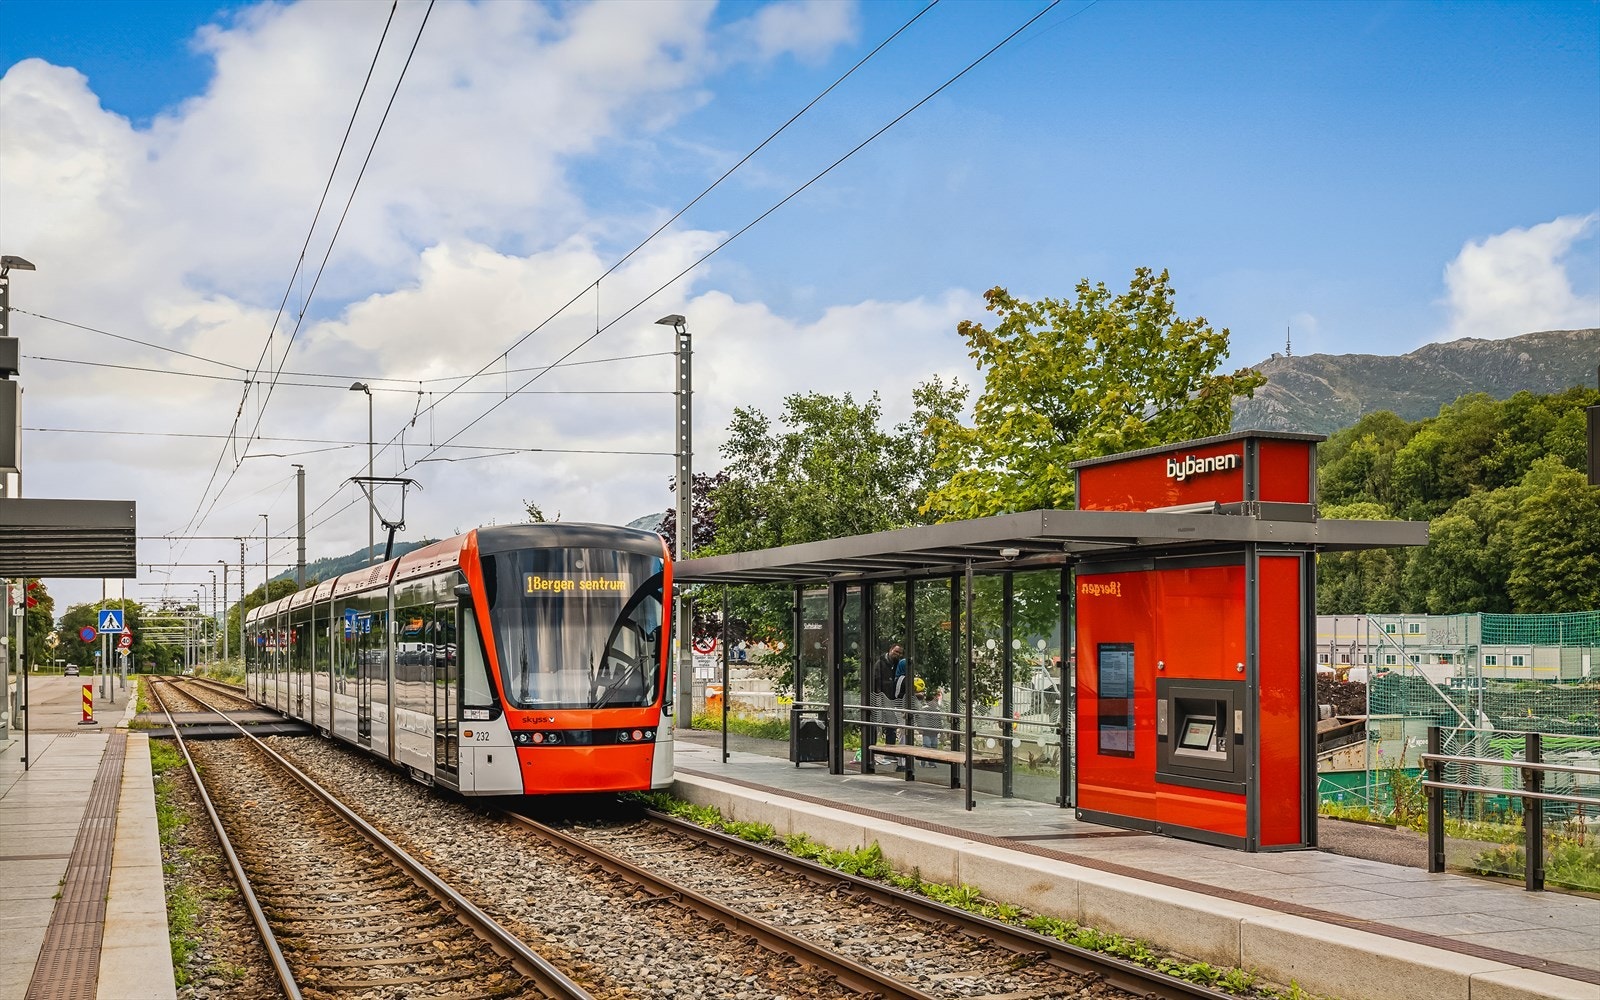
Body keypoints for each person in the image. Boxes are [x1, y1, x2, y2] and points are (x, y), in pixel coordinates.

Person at [871, 642, 904, 762]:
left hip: (891, 699)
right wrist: (878, 696)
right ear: (890, 650)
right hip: (880, 698)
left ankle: (889, 752)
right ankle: (871, 751)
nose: (898, 654)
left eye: (900, 653)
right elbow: (875, 681)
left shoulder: (897, 664)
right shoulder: (880, 663)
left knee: (892, 725)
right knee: (874, 724)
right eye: (896, 651)